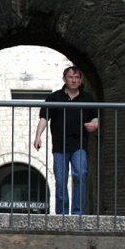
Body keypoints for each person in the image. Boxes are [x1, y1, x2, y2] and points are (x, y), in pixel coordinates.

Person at [33, 66, 98, 215]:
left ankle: (77, 213)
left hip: (79, 145)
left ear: (80, 80)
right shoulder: (54, 97)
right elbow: (44, 117)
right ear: (64, 79)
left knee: (80, 174)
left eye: (77, 78)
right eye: (71, 77)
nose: (74, 80)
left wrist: (95, 124)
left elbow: (95, 117)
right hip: (59, 146)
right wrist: (38, 136)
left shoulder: (87, 98)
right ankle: (62, 214)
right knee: (61, 181)